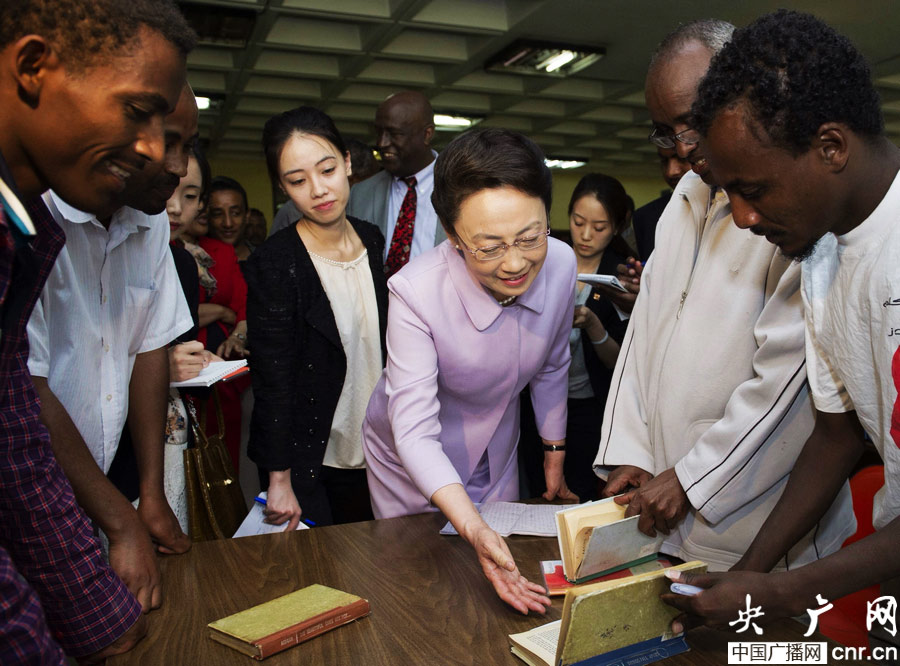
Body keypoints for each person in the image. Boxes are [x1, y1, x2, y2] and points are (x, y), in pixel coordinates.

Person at [663, 11, 900, 647]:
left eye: (754, 189)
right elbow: (835, 433)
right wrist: (746, 578)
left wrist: (785, 591)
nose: (741, 217)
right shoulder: (823, 253)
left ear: (831, 147)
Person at [593, 19, 854, 573]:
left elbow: (786, 380)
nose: (685, 150)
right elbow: (642, 340)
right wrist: (631, 454)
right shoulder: (679, 207)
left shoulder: (789, 212)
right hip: (663, 505)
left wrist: (692, 476)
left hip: (752, 515)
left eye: (693, 124)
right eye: (667, 131)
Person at [0, 0, 194, 662]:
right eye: (138, 113)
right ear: (32, 67)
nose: (155, 152)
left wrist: (140, 501)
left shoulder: (24, 227)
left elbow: (13, 438)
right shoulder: (40, 219)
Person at [362, 127, 578, 615]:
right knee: (421, 578)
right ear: (453, 234)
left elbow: (552, 364)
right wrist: (473, 525)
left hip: (495, 438)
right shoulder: (415, 292)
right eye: (490, 247)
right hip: (409, 452)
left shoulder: (562, 263)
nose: (517, 263)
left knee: (501, 573)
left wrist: (553, 450)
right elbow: (414, 431)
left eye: (530, 236)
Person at [28, 82, 197, 615]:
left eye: (188, 144)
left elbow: (148, 347)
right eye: (167, 140)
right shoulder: (32, 217)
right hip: (32, 487)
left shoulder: (148, 223)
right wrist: (121, 522)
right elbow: (23, 383)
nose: (177, 166)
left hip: (105, 485)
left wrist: (149, 495)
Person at [246, 106, 388, 527]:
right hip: (313, 460)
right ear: (282, 186)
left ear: (346, 163)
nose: (318, 190)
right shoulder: (275, 262)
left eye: (327, 170)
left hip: (380, 451)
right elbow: (272, 378)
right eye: (297, 180)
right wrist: (278, 478)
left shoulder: (372, 239)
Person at [520, 174, 630, 501]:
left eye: (599, 228)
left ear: (617, 227)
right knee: (537, 490)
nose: (585, 235)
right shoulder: (547, 261)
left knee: (579, 495)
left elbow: (619, 362)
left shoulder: (622, 278)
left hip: (589, 409)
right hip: (535, 404)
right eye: (578, 222)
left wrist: (593, 324)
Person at [270, 92, 445, 273]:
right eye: (379, 132)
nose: (381, 143)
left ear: (427, 134)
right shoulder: (360, 193)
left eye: (395, 134)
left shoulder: (460, 187)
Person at [632, 146, 690, 260]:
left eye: (682, 159)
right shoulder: (646, 218)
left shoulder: (729, 210)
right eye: (664, 161)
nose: (670, 172)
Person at [208, 175, 253, 262]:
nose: (228, 223)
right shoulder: (197, 262)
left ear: (247, 215)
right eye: (217, 214)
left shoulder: (265, 260)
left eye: (235, 213)